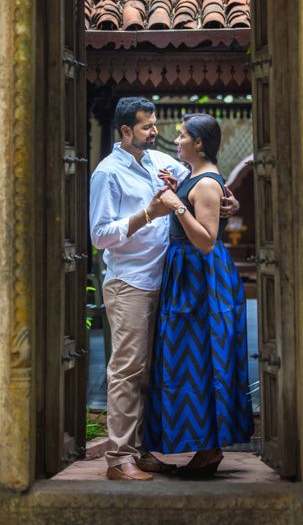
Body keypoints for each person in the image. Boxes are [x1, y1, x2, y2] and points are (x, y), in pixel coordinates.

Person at [89, 98, 238, 482]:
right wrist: (147, 215)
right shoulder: (107, 174)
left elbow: (202, 180)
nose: (157, 133)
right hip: (131, 282)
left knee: (155, 371)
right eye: (146, 127)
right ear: (125, 131)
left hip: (169, 283)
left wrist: (227, 200)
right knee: (127, 370)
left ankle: (141, 450)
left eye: (156, 125)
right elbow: (100, 235)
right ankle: (119, 458)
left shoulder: (159, 162)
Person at [143, 113, 254, 476]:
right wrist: (177, 192)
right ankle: (202, 447)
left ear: (200, 143)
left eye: (182, 136)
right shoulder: (194, 177)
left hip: (201, 280)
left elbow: (206, 241)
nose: (176, 141)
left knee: (205, 357)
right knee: (189, 358)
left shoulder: (205, 183)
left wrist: (175, 204)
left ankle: (209, 451)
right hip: (187, 277)